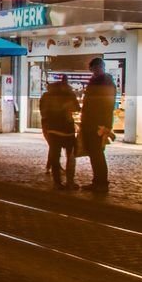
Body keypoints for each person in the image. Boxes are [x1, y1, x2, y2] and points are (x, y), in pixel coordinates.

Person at [79, 57, 117, 192]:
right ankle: (97, 181)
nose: (94, 71)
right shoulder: (96, 81)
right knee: (94, 153)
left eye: (95, 68)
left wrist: (104, 126)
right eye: (92, 69)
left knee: (97, 153)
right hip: (91, 123)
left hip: (98, 125)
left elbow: (106, 106)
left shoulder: (105, 82)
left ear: (101, 67)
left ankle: (101, 183)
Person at [39, 75, 79, 188]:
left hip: (52, 130)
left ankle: (57, 182)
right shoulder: (70, 95)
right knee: (70, 156)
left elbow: (43, 113)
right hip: (68, 130)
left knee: (55, 157)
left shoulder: (46, 96)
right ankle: (70, 181)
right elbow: (77, 108)